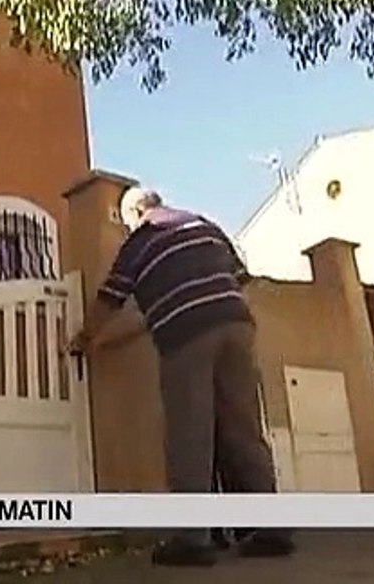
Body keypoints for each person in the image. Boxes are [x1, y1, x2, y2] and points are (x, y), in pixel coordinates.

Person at [66, 186, 294, 567]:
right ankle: (272, 529)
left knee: (190, 433)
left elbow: (111, 297)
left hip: (187, 335)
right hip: (236, 324)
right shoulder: (203, 224)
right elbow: (237, 279)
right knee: (244, 428)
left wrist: (86, 337)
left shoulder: (142, 240)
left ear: (136, 213)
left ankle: (193, 538)